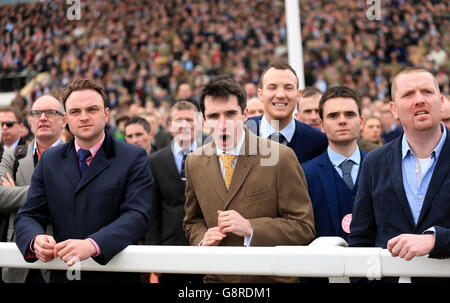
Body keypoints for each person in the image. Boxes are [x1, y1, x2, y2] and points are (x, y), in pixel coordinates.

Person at [14, 78, 153, 283]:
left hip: (114, 276)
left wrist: (93, 244)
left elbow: (137, 215)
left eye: (92, 109)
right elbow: (27, 215)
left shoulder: (133, 157)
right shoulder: (50, 161)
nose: (84, 117)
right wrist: (35, 239)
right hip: (64, 276)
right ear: (66, 119)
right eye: (76, 111)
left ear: (106, 114)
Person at [183, 76, 315, 283]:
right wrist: (202, 240)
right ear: (204, 120)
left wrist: (251, 228)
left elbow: (303, 227)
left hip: (271, 280)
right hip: (216, 281)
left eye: (230, 113)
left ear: (245, 114)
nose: (223, 124)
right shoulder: (194, 162)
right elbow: (192, 221)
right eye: (214, 116)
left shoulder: (281, 157)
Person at [348, 67, 450, 283]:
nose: (419, 99)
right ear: (393, 109)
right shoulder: (374, 163)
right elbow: (360, 240)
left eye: (427, 92)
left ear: (441, 101)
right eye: (408, 94)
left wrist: (437, 240)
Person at [0, 95, 66, 283]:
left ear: (64, 120)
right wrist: (49, 193)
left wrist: (16, 193)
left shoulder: (76, 155)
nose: (43, 117)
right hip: (18, 256)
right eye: (37, 113)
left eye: (50, 113)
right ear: (30, 121)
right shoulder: (14, 155)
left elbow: (76, 200)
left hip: (59, 255)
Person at [146, 100, 203, 284]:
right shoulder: (155, 161)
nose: (184, 125)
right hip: (169, 247)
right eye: (179, 120)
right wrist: (154, 255)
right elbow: (153, 212)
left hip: (205, 245)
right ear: (170, 125)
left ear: (199, 123)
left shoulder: (213, 155)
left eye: (189, 119)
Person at [302, 87, 366, 242]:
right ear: (322, 125)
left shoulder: (382, 168)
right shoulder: (304, 174)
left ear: (361, 122)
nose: (342, 120)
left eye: (350, 114)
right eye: (333, 116)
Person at [246, 60, 327, 164]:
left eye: (288, 88)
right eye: (272, 88)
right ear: (260, 95)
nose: (280, 95)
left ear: (298, 95)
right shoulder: (240, 135)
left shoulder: (319, 141)